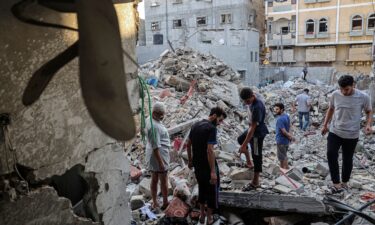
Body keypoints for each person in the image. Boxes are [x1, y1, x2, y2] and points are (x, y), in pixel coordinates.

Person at [321, 75, 373, 193]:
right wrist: (325, 125)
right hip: (335, 131)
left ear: (353, 85)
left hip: (351, 134)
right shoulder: (335, 94)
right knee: (331, 154)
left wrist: (368, 124)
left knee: (347, 159)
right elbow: (331, 109)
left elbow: (369, 111)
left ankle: (344, 182)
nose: (343, 92)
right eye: (341, 89)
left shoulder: (363, 97)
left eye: (347, 89)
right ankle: (336, 183)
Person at [187, 107, 227, 225]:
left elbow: (188, 145)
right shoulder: (211, 128)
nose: (219, 123)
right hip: (208, 166)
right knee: (212, 191)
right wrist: (213, 171)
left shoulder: (195, 125)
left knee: (202, 188)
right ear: (214, 115)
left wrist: (190, 161)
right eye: (220, 120)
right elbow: (210, 150)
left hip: (197, 165)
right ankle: (209, 218)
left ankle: (202, 215)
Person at [237, 87, 269, 191]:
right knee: (240, 139)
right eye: (245, 101)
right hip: (251, 128)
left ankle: (255, 182)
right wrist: (243, 144)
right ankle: (249, 162)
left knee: (256, 155)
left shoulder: (257, 107)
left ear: (252, 96)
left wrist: (243, 146)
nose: (246, 103)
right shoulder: (252, 99)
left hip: (257, 133)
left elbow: (252, 129)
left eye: (248, 101)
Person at [145, 102, 170, 210]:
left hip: (155, 153)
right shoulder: (154, 126)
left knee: (154, 178)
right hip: (158, 155)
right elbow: (156, 147)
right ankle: (165, 202)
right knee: (163, 180)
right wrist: (161, 163)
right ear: (154, 112)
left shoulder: (150, 119)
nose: (162, 116)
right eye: (160, 114)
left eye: (163, 114)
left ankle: (155, 202)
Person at [274, 103, 294, 169]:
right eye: (275, 109)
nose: (275, 110)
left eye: (277, 109)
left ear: (282, 110)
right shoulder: (286, 116)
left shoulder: (280, 119)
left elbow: (284, 131)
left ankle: (285, 170)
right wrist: (290, 135)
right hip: (286, 141)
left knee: (282, 157)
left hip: (281, 140)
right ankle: (283, 171)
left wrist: (290, 136)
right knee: (283, 156)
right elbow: (290, 126)